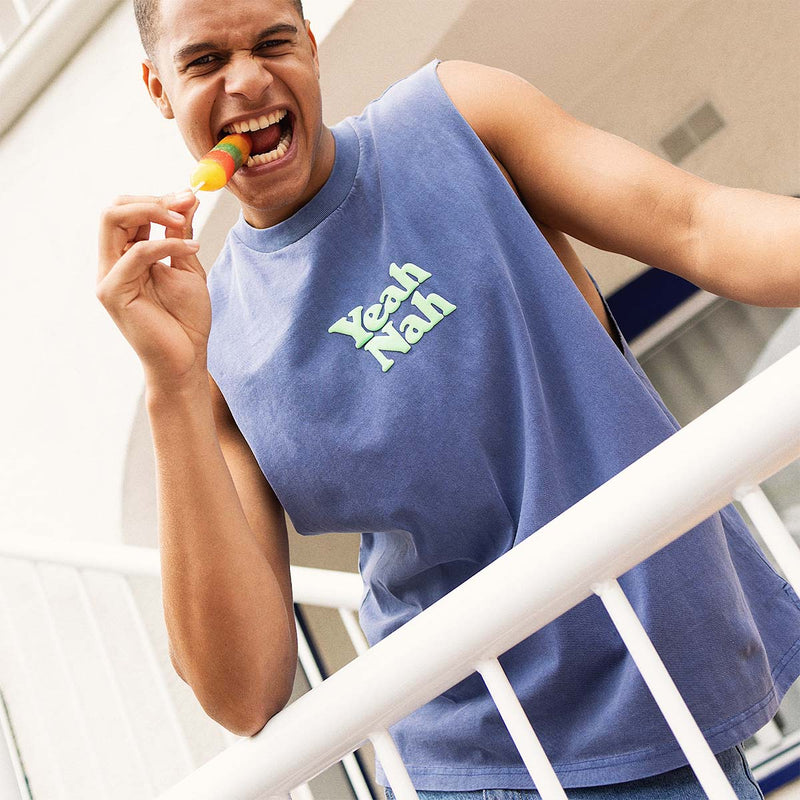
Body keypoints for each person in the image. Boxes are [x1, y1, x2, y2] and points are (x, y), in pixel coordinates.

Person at [96, 0, 800, 797]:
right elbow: (243, 692)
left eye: (273, 42)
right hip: (477, 760)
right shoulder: (214, 335)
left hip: (666, 691)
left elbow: (697, 224)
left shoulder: (458, 115)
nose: (249, 80)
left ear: (312, 46)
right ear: (160, 87)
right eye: (205, 63)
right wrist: (173, 385)